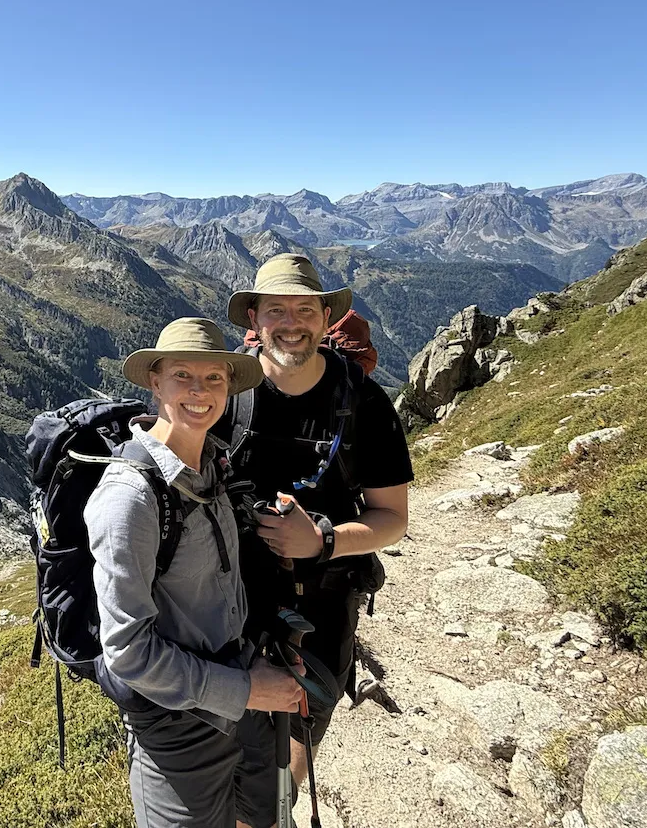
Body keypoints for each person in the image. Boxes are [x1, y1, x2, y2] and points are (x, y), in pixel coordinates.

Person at [86, 317, 310, 828]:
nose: (200, 391)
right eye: (183, 375)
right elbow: (128, 653)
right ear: (154, 382)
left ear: (229, 387)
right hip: (177, 726)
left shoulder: (214, 463)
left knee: (269, 816)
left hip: (243, 683)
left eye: (214, 379)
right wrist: (249, 691)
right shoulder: (130, 499)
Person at [217, 255, 414, 828]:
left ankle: (275, 808)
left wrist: (321, 540)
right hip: (231, 600)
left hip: (325, 601)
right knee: (228, 740)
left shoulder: (365, 404)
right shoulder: (222, 393)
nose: (292, 322)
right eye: (277, 309)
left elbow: (392, 519)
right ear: (254, 317)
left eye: (306, 309)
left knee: (296, 746)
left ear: (328, 317)